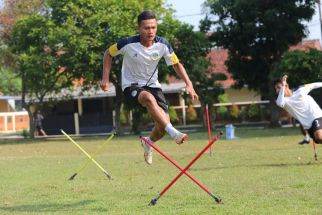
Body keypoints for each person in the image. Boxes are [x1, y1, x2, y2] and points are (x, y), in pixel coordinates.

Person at [100, 11, 198, 165]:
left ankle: (149, 142)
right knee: (148, 98)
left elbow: (176, 64)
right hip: (131, 85)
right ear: (138, 28)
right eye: (146, 28)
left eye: (153, 27)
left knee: (161, 127)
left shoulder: (163, 45)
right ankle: (174, 133)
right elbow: (108, 53)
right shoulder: (127, 43)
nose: (150, 31)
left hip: (153, 85)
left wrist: (189, 84)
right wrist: (105, 78)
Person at [274, 75, 322, 144]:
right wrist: (282, 87)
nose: (277, 91)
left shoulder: (300, 90)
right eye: (276, 89)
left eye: (278, 87)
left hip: (316, 116)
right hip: (307, 124)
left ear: (286, 86)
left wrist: (283, 85)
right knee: (318, 140)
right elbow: (280, 103)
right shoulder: (282, 100)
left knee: (319, 137)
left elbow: (314, 85)